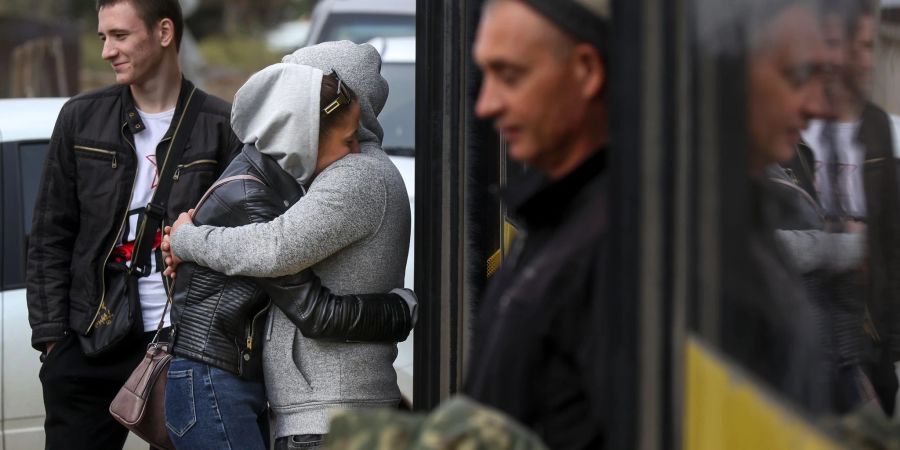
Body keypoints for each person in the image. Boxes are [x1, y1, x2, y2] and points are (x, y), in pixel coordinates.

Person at [164, 41, 411, 450]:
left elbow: (281, 259)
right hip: (223, 383)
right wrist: (401, 309)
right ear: (309, 120)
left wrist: (187, 239)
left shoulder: (351, 177)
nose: (352, 147)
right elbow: (285, 268)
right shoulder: (267, 185)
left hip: (325, 409)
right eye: (346, 138)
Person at [24, 0, 242, 449]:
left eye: (120, 36)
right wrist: (52, 343)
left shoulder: (221, 126)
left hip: (183, 342)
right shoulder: (81, 118)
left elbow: (240, 240)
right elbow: (49, 234)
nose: (107, 51)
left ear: (164, 33)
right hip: (88, 339)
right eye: (103, 37)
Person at [463, 0, 609, 448]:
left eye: (510, 76)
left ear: (586, 70)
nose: (486, 105)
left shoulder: (614, 244)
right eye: (484, 77)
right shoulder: (555, 220)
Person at [788, 0, 900, 415]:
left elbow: (890, 237)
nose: (862, 60)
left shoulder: (877, 126)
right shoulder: (791, 122)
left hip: (869, 329)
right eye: (846, 44)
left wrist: (889, 341)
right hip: (813, 333)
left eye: (870, 47)